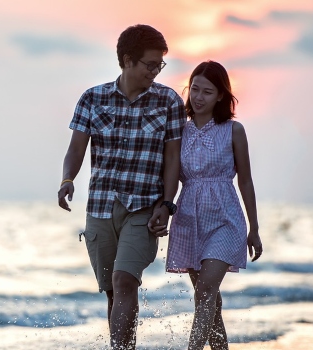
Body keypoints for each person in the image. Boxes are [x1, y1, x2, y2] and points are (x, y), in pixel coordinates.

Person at [57, 24, 186, 350]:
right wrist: (67, 180)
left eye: (160, 65)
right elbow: (76, 149)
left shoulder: (167, 101)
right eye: (150, 64)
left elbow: (173, 159)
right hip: (101, 207)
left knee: (125, 279)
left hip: (144, 209)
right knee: (115, 290)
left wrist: (167, 205)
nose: (156, 71)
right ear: (128, 61)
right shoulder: (92, 98)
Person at [165, 60, 263, 350]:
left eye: (207, 92)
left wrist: (254, 228)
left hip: (225, 219)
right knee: (207, 296)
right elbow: (168, 173)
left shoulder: (234, 130)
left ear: (221, 95)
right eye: (194, 89)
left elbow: (245, 180)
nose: (198, 97)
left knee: (206, 290)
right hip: (188, 219)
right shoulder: (178, 131)